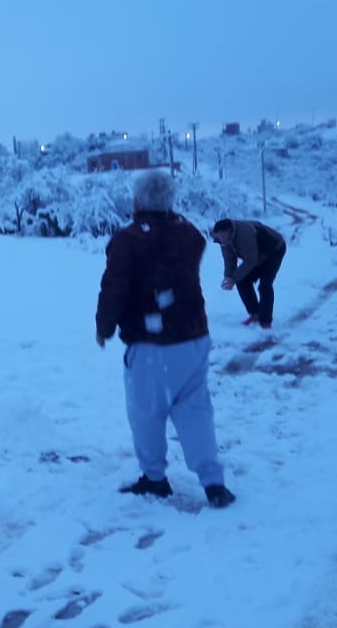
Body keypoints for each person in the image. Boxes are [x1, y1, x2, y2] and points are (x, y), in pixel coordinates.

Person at [96, 171, 236, 509]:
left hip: (152, 345)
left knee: (147, 412)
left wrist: (105, 325)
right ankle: (213, 482)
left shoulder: (128, 241)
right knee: (195, 410)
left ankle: (155, 479)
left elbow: (114, 286)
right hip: (193, 336)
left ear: (138, 200)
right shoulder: (189, 234)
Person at [211, 218, 287, 329]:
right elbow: (229, 259)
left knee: (265, 285)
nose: (220, 239)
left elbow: (250, 261)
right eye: (218, 236)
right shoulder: (224, 241)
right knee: (242, 281)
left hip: (274, 250)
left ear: (230, 231)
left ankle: (265, 321)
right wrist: (228, 276)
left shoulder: (245, 233)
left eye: (223, 235)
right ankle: (255, 314)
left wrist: (234, 278)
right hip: (257, 256)